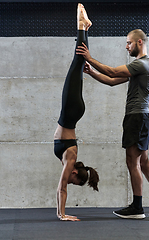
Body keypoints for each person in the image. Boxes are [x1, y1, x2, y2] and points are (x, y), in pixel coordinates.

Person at [76, 29, 149, 219]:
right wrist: (92, 72)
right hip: (140, 118)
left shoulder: (142, 64)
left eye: (129, 43)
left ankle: (137, 207)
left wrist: (89, 58)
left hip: (137, 118)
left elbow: (113, 71)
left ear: (139, 42)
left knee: (133, 162)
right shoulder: (142, 67)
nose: (126, 46)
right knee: (144, 163)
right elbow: (112, 80)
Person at [53, 3, 99, 222]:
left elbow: (64, 184)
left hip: (71, 113)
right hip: (70, 112)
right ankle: (81, 26)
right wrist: (62, 215)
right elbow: (62, 187)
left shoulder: (69, 160)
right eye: (73, 180)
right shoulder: (70, 158)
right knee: (78, 61)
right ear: (74, 173)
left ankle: (85, 28)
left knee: (78, 65)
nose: (69, 180)